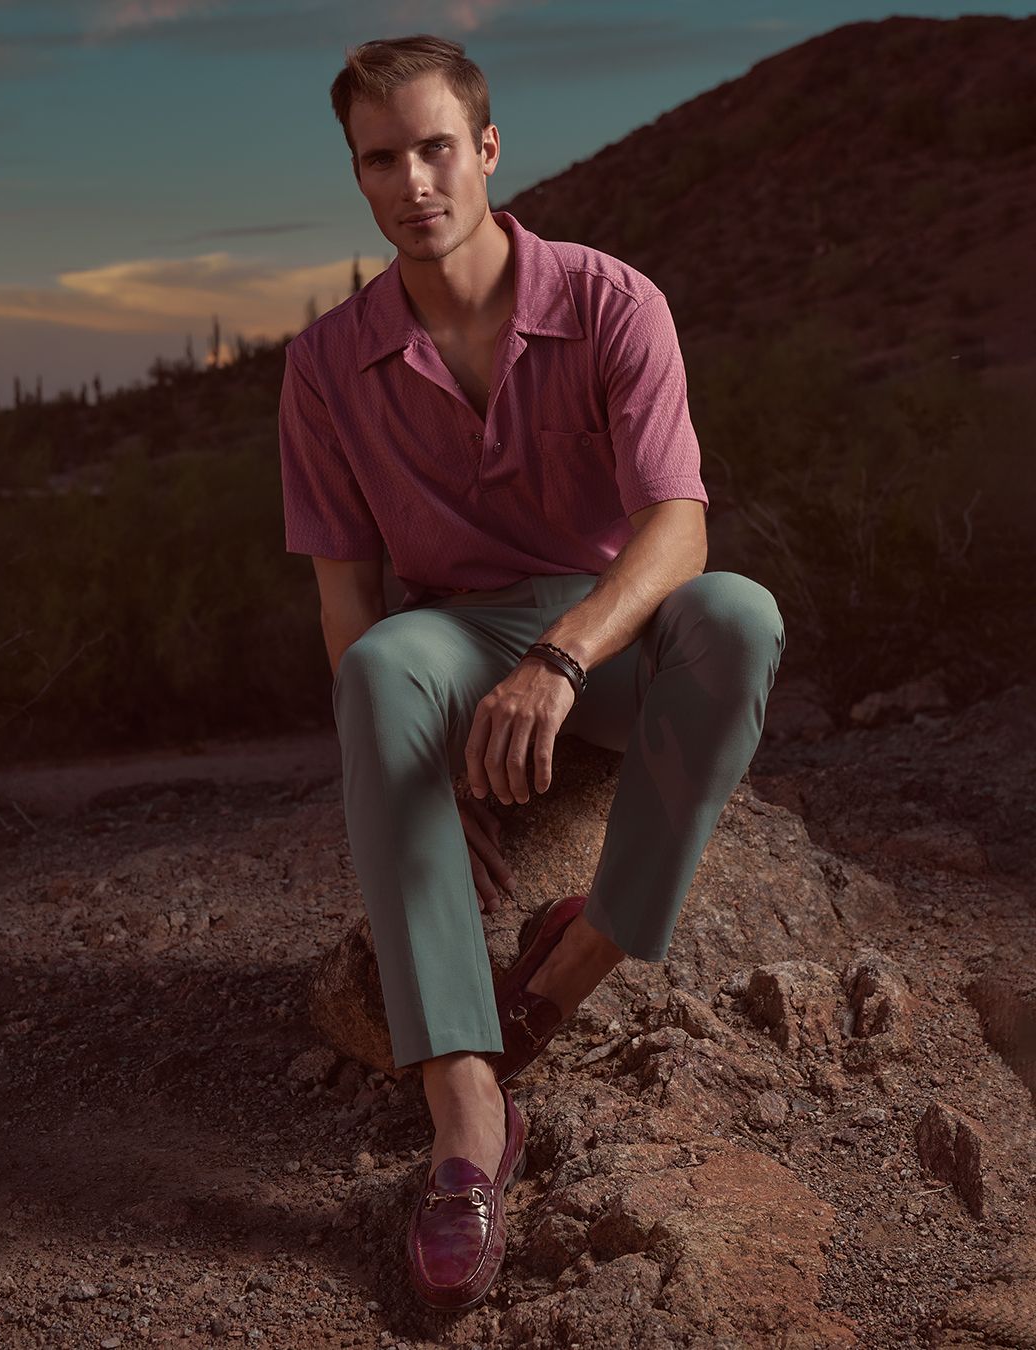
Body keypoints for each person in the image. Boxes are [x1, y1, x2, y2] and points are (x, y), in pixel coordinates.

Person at [277, 33, 785, 1311]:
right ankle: (466, 1118)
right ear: (359, 176)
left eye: (436, 147)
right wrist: (422, 765)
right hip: (455, 637)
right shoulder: (325, 367)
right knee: (386, 666)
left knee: (740, 616)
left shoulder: (616, 302)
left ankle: (571, 965)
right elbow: (347, 593)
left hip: (609, 629)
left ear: (489, 149)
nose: (414, 181)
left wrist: (562, 659)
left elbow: (680, 524)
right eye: (380, 159)